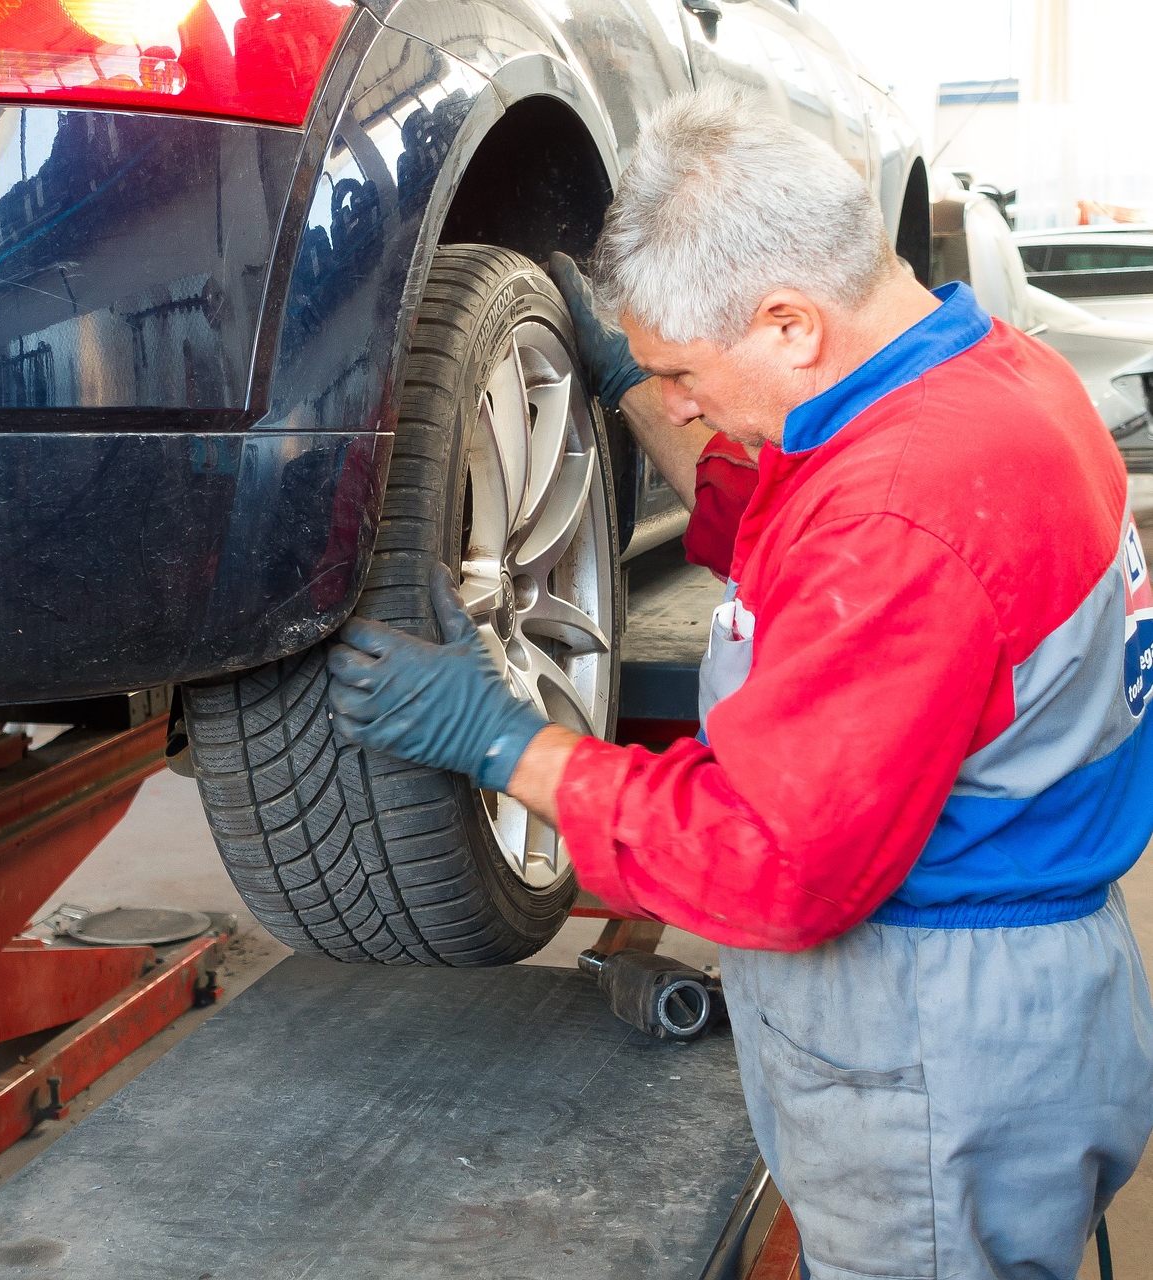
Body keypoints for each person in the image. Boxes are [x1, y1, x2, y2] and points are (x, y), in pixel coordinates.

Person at [326, 89, 1153, 1279]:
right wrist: (622, 382)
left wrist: (508, 743)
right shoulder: (987, 380)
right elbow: (791, 526)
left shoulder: (904, 513)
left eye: (680, 370)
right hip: (1019, 991)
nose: (678, 400)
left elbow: (772, 858)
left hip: (939, 1042)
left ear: (787, 323)